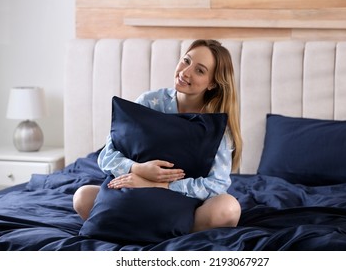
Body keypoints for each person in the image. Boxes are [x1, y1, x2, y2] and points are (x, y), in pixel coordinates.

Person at [73, 39, 243, 232]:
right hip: (135, 192)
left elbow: (217, 183)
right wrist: (137, 169)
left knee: (228, 208)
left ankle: (148, 228)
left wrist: (159, 184)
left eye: (200, 70)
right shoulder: (149, 102)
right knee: (82, 196)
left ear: (212, 83)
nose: (185, 72)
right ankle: (163, 232)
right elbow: (107, 155)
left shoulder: (216, 124)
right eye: (186, 61)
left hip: (183, 202)